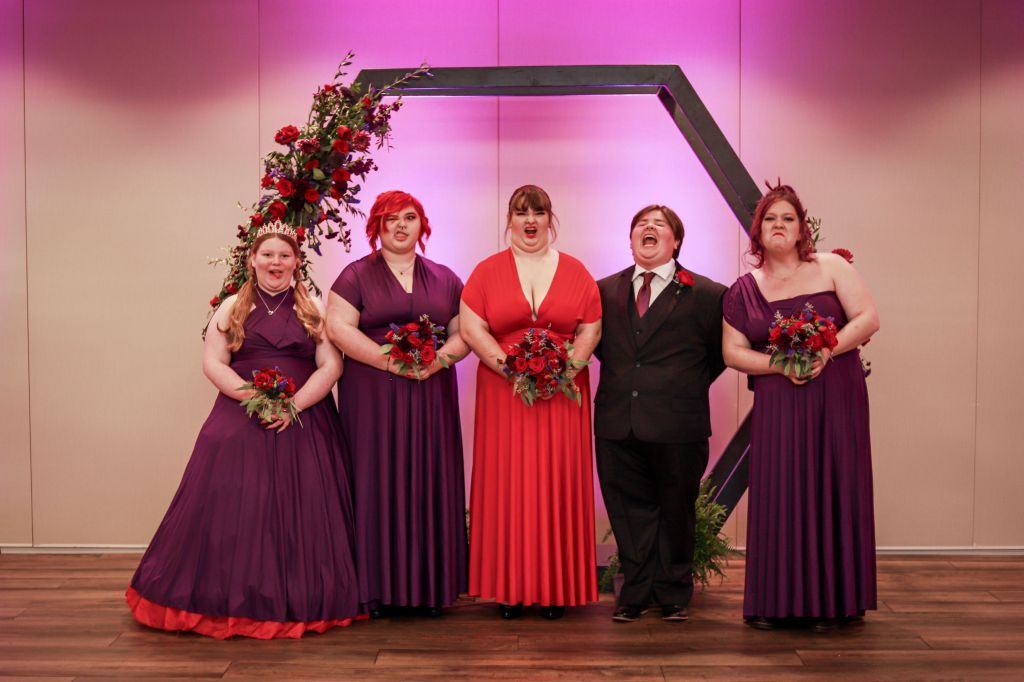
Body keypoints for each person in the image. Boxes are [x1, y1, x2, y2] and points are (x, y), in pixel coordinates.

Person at [127, 224, 360, 639]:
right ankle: (226, 597)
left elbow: (331, 365)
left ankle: (303, 597)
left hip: (305, 413)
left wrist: (293, 405)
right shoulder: (233, 306)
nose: (276, 263)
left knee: (307, 502)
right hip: (242, 410)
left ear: (296, 262)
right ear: (252, 260)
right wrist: (255, 399)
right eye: (267, 255)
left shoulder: (314, 307)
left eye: (284, 256)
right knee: (235, 500)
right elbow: (213, 363)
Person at [722, 182, 880, 632]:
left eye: (787, 218)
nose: (779, 225)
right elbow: (732, 352)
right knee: (781, 489)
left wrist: (827, 351)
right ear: (758, 230)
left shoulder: (831, 267)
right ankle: (775, 601)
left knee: (836, 482)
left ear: (801, 228)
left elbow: (868, 318)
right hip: (779, 403)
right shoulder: (743, 290)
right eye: (770, 218)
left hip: (837, 396)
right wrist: (779, 364)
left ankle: (838, 602)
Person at [460, 184, 602, 620]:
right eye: (521, 213)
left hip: (562, 394)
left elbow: (591, 328)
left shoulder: (577, 271)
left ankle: (556, 588)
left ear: (549, 219)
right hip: (504, 393)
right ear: (510, 220)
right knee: (508, 483)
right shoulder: (486, 272)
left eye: (538, 212)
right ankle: (508, 587)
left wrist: (565, 372)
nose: (530, 221)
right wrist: (511, 370)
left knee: (557, 481)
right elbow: (472, 328)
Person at [327, 190, 469, 617]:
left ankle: (430, 590)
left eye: (409, 217)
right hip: (372, 393)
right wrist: (390, 362)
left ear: (422, 225)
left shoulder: (445, 277)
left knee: (430, 475)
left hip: (431, 393)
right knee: (374, 478)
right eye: (391, 218)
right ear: (377, 226)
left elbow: (465, 333)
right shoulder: (354, 275)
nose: (401, 225)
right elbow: (338, 329)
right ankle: (374, 590)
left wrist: (437, 361)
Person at [594, 204, 726, 623]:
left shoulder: (708, 294)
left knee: (675, 509)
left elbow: (717, 356)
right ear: (631, 239)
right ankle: (634, 592)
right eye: (641, 224)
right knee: (627, 511)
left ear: (676, 241)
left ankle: (672, 593)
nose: (648, 228)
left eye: (659, 224)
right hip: (617, 419)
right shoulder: (602, 290)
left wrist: (678, 386)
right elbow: (601, 348)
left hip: (679, 422)